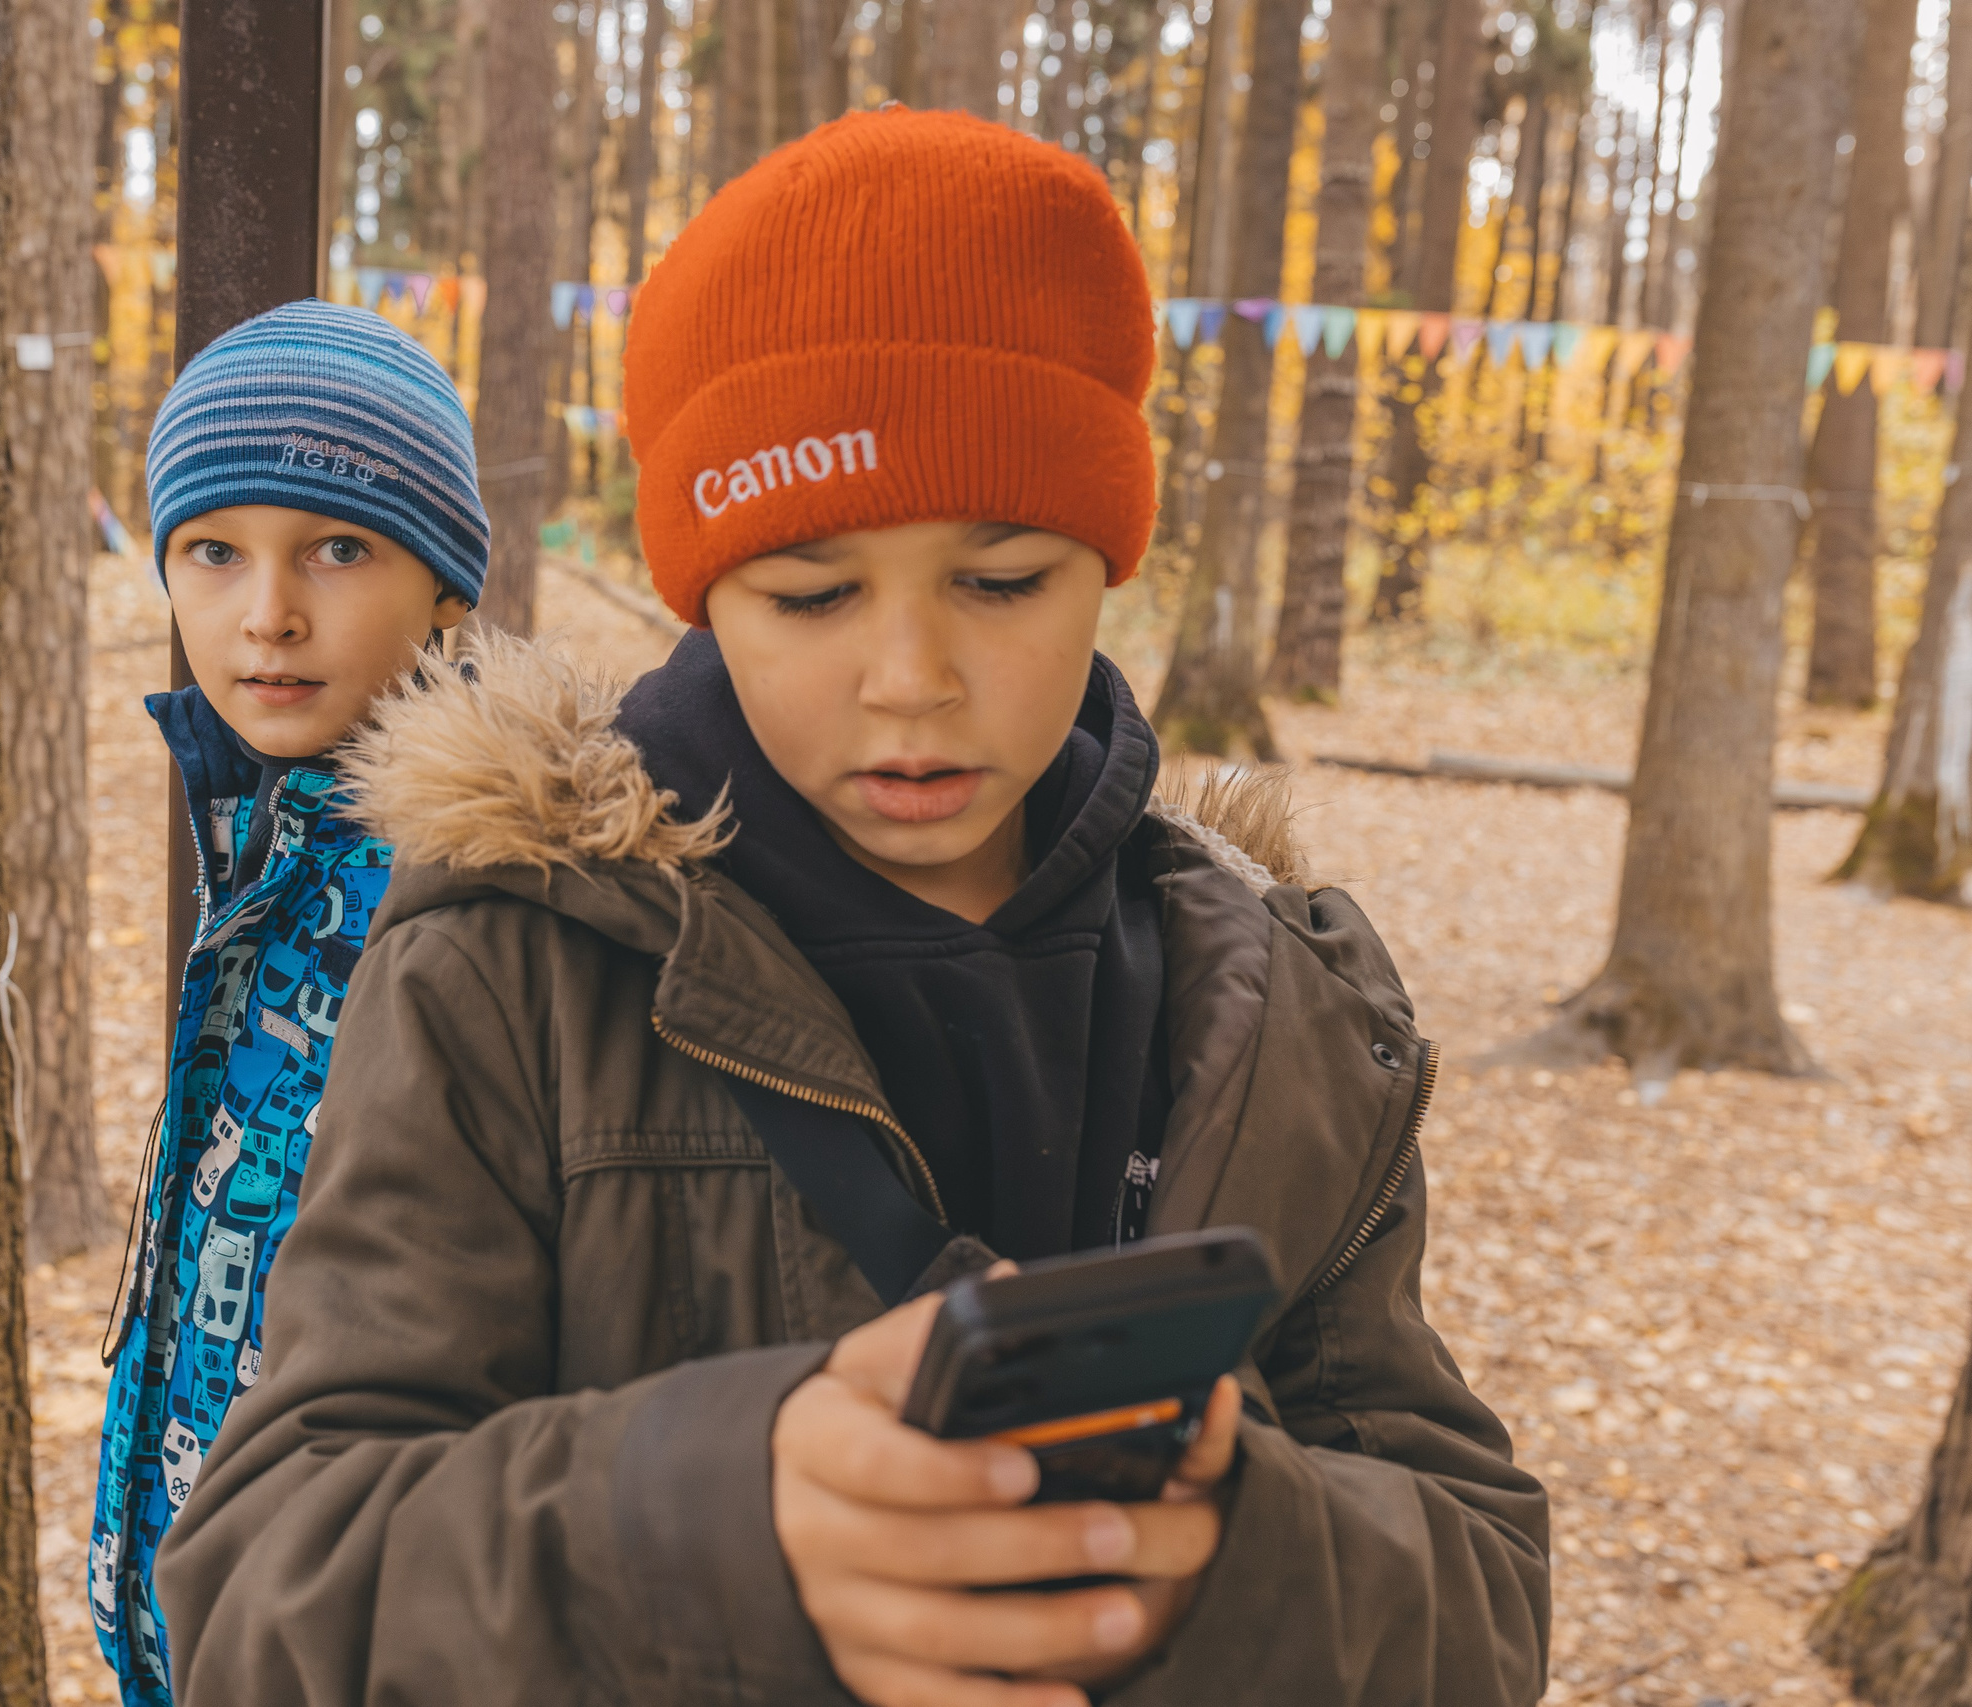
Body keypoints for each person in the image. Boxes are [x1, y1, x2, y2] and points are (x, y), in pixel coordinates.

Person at [157, 111, 1550, 1706]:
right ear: (703, 594)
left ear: (1110, 562)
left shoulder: (1285, 1011)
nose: (911, 682)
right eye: (811, 595)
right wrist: (728, 1531)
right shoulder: (512, 955)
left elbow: (1483, 1596)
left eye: (1004, 578)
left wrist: (1230, 1545)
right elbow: (270, 1587)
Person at [86, 298, 488, 1707]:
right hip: (206, 1629)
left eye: (337, 547)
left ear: (446, 588)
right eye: (214, 551)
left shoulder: (479, 901)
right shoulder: (271, 846)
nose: (267, 613)